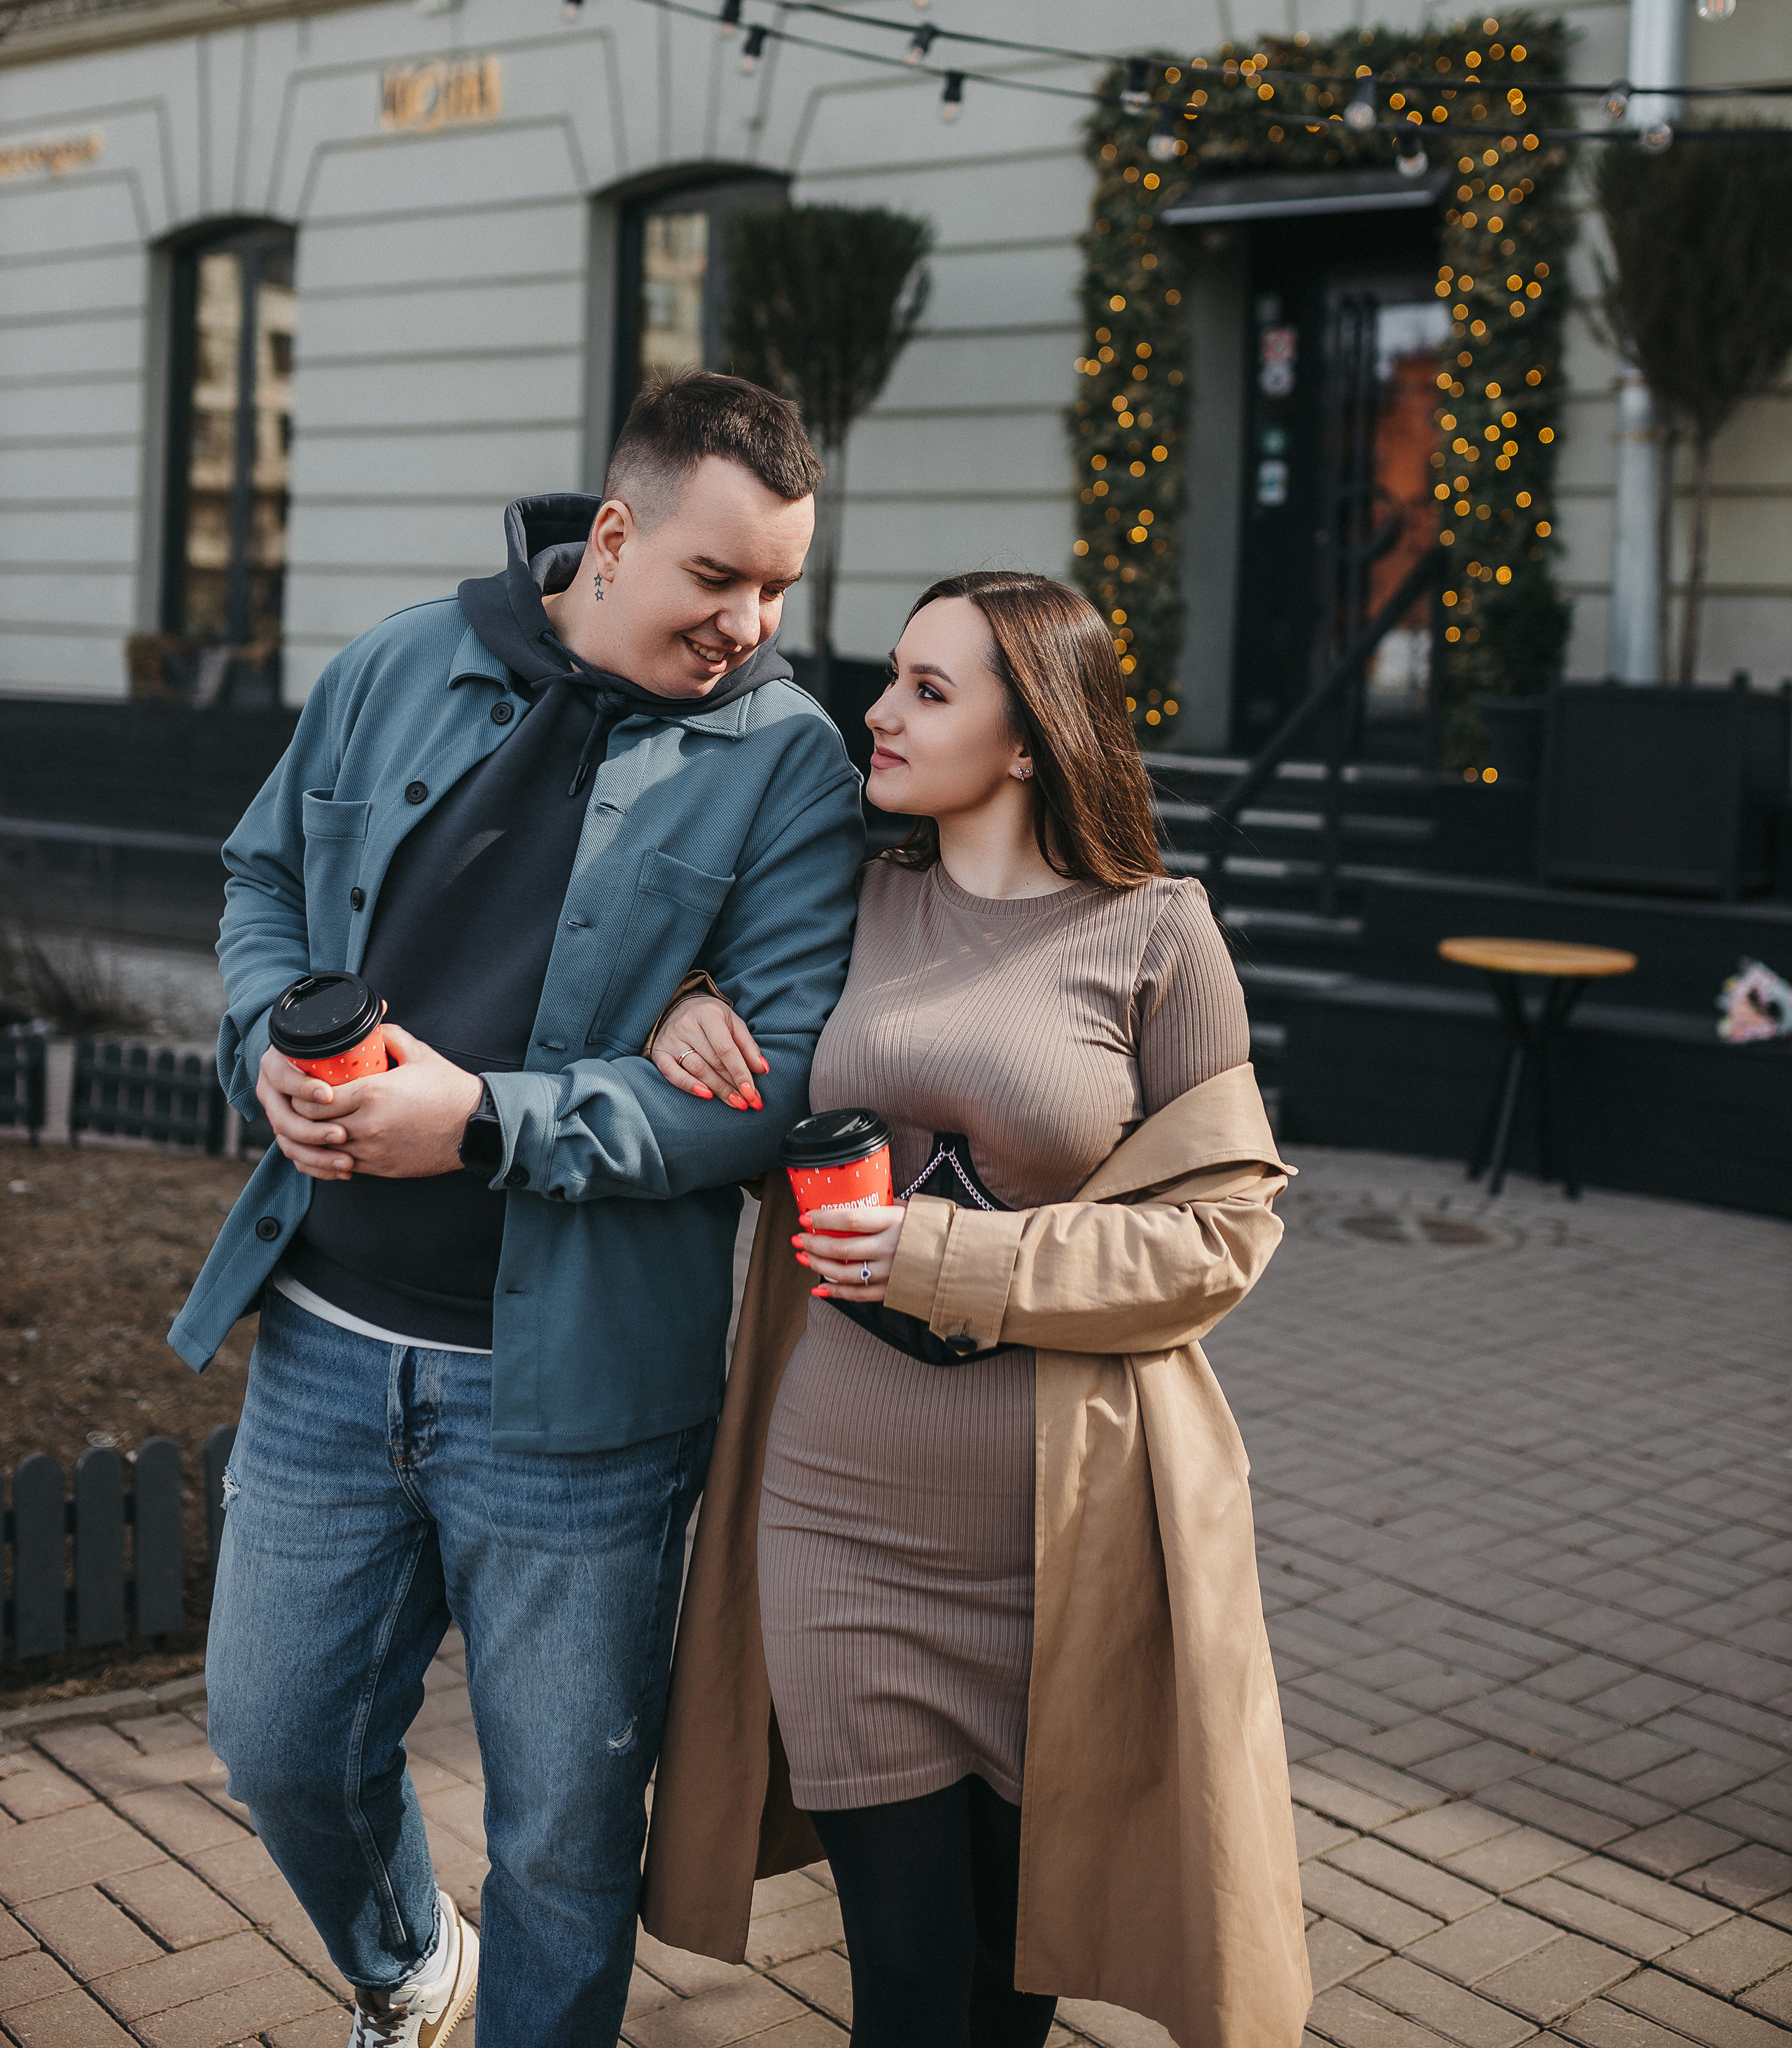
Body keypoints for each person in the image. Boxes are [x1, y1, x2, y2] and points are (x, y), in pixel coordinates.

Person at [167, 371, 864, 2048]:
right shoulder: (402, 661)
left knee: (559, 1836)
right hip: (326, 1343)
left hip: (579, 1407)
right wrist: (265, 1036)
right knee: (272, 1738)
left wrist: (481, 1123)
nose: (749, 623)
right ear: (612, 537)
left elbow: (764, 1092)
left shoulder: (787, 763)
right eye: (718, 579)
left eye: (779, 588)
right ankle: (411, 1965)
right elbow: (261, 877)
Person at [638, 570, 1311, 2048]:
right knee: (901, 1985)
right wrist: (678, 996)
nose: (878, 712)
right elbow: (675, 953)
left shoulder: (1156, 935)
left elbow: (1222, 1235)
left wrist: (955, 1263)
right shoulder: (850, 894)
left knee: (1006, 1992)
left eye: (929, 692)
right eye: (891, 677)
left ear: (1029, 739)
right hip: (836, 1523)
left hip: (1057, 1556)